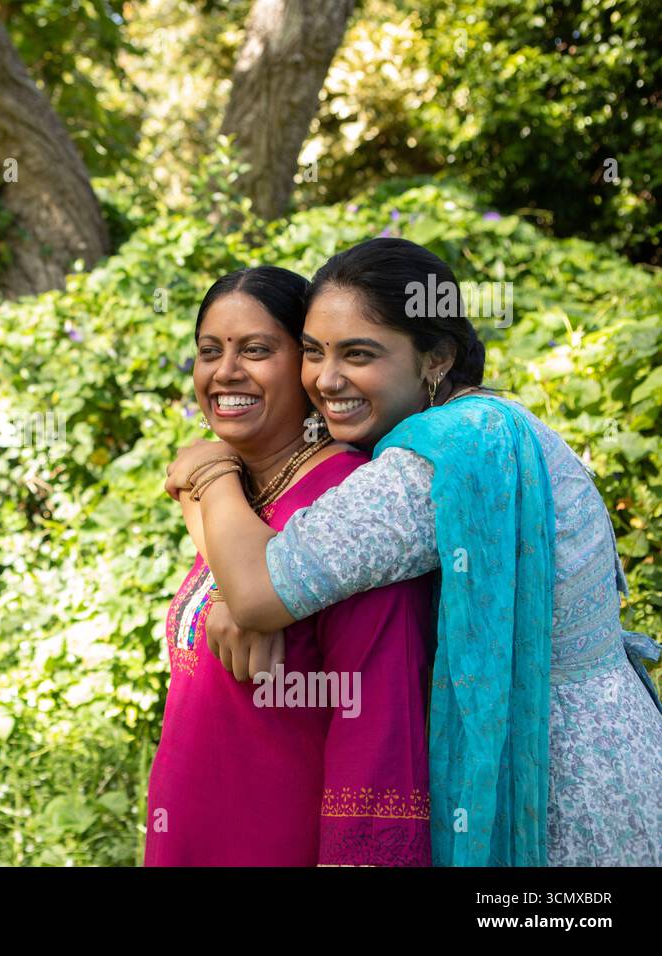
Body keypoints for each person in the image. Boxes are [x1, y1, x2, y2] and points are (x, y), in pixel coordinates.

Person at [167, 238, 662, 866]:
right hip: (617, 744)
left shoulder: (430, 465)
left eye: (360, 355)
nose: (327, 379)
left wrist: (208, 471)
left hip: (561, 786)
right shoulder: (490, 422)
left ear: (436, 356)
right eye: (315, 352)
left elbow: (260, 590)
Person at [146, 266, 434, 866]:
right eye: (209, 351)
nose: (225, 372)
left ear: (303, 368)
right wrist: (211, 472)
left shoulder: (349, 512)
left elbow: (379, 723)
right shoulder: (240, 494)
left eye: (256, 350)